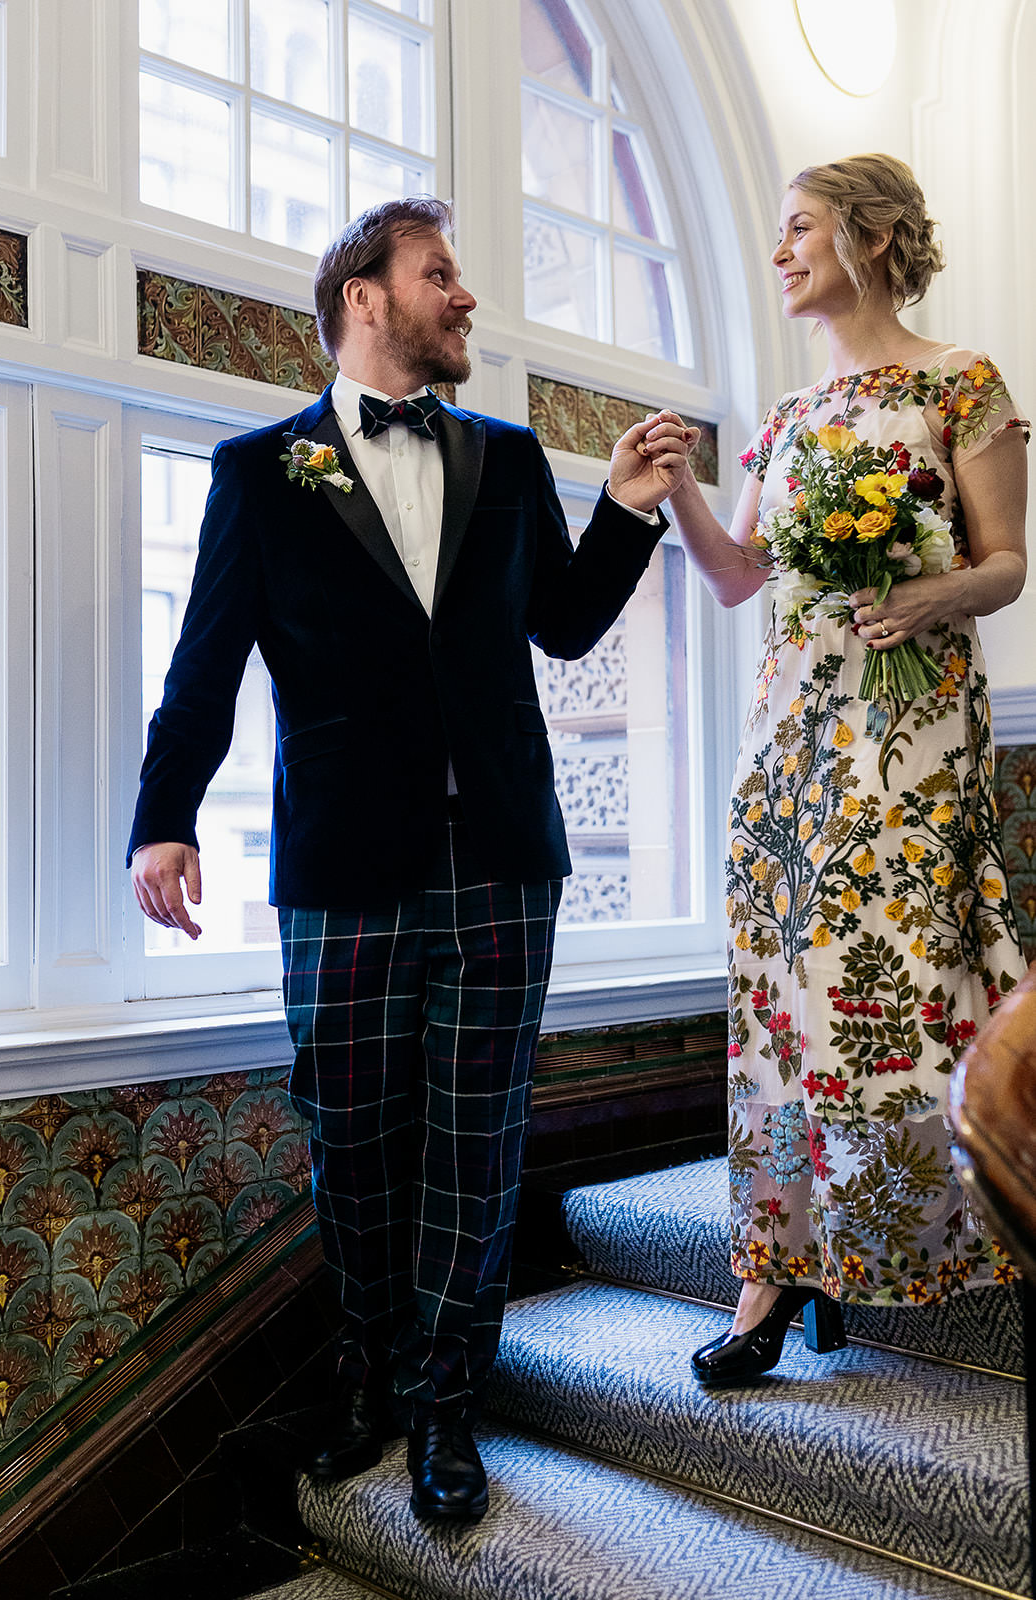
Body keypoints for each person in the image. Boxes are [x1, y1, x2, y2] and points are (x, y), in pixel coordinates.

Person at [127, 197, 688, 1518]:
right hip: (343, 865)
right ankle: (368, 1373)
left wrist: (621, 509)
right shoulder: (263, 472)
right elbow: (205, 661)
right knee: (353, 1137)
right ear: (364, 298)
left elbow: (562, 625)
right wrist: (163, 815)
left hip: (501, 856)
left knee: (474, 1141)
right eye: (441, 273)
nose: (465, 295)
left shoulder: (505, 457)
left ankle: (445, 1402)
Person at [662, 154, 1029, 1385]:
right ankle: (772, 1268)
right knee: (782, 987)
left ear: (867, 237)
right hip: (789, 741)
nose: (778, 252)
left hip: (911, 731)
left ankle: (971, 1217)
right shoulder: (781, 417)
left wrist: (930, 593)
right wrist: (677, 493)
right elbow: (735, 578)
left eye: (798, 228)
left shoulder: (960, 383)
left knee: (907, 969)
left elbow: (1005, 564)